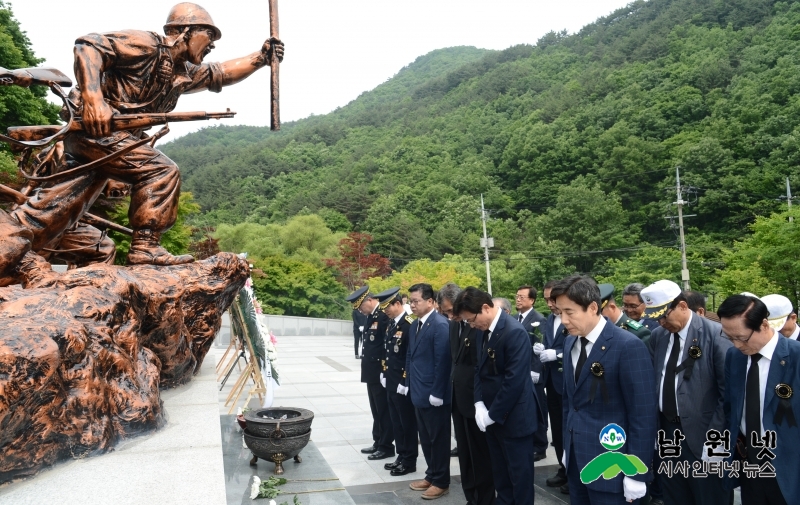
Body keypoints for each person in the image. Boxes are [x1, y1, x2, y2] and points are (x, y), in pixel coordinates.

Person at [31, 3, 284, 265]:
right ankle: (145, 246)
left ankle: (20, 246)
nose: (212, 45)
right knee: (161, 171)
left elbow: (220, 73)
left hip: (114, 141)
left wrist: (261, 58)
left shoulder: (183, 72)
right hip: (95, 131)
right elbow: (88, 46)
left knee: (59, 208)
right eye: (209, 35)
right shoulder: (147, 45)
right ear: (186, 31)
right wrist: (94, 100)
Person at [554, 275, 657, 505]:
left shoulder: (627, 346)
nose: (563, 320)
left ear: (592, 308)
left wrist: (637, 473)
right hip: (577, 463)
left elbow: (643, 416)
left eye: (569, 312)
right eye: (559, 313)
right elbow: (570, 404)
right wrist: (566, 448)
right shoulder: (570, 342)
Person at [641, 280, 732, 505]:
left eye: (665, 316)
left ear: (682, 306)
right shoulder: (659, 337)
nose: (662, 323)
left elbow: (727, 393)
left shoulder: (715, 334)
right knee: (675, 495)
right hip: (668, 432)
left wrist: (716, 438)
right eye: (657, 318)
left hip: (704, 433)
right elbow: (653, 382)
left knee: (708, 496)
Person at [454, 286, 542, 505]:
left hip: (514, 419)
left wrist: (492, 413)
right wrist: (478, 403)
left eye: (472, 319)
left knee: (519, 479)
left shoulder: (513, 332)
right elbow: (478, 369)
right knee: (500, 476)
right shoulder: (482, 331)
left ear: (485, 308)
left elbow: (513, 381)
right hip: (491, 418)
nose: (471, 325)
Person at [718, 294, 800, 505]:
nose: (736, 345)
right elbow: (731, 408)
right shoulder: (735, 358)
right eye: (729, 337)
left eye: (742, 338)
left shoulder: (795, 357)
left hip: (788, 466)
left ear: (764, 324)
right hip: (750, 463)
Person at [439, 283, 495, 505]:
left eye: (453, 311)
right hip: (458, 399)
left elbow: (481, 366)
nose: (451, 316)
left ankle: (486, 499)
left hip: (476, 401)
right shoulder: (454, 325)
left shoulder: (478, 324)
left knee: (481, 454)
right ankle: (471, 496)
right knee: (464, 453)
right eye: (446, 312)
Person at [403, 283, 452, 500]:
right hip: (418, 391)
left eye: (416, 301)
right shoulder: (415, 325)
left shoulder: (440, 325)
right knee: (426, 437)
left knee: (438, 439)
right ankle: (431, 475)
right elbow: (410, 356)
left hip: (434, 395)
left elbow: (443, 362)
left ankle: (441, 481)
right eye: (410, 301)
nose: (412, 305)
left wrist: (438, 392)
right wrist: (406, 380)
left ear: (431, 302)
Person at [345, 286, 395, 460]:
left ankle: (386, 445)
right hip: (371, 372)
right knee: (376, 410)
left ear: (369, 300)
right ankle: (378, 441)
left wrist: (384, 371)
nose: (360, 311)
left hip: (379, 372)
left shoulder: (382, 316)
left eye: (360, 306)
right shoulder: (371, 316)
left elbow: (385, 346)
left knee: (383, 410)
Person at [375, 287, 418, 476]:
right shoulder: (392, 324)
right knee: (396, 422)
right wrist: (384, 372)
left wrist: (404, 380)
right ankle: (401, 456)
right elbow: (388, 351)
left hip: (402, 383)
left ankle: (409, 461)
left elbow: (410, 356)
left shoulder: (409, 324)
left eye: (387, 307)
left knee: (406, 423)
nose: (385, 311)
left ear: (398, 304)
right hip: (391, 382)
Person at [539, 279, 569, 493]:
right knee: (557, 431)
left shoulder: (571, 317)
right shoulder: (550, 319)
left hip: (567, 382)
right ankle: (563, 468)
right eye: (546, 299)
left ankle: (573, 472)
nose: (550, 304)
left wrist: (557, 354)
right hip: (551, 381)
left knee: (569, 430)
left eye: (552, 299)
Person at [516, 284, 549, 461]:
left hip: (533, 372)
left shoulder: (539, 319)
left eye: (522, 297)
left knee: (538, 409)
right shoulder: (516, 318)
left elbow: (539, 344)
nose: (518, 299)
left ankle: (540, 445)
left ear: (532, 300)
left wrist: (536, 369)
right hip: (520, 373)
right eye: (517, 296)